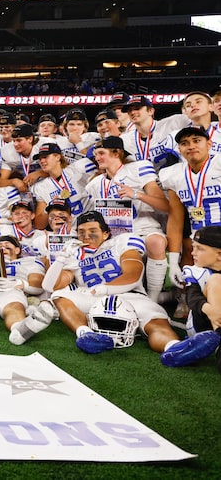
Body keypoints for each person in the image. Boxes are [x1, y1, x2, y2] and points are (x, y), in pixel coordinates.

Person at [43, 211, 218, 366]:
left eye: (92, 231)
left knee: (156, 322)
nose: (86, 236)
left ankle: (174, 349)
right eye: (81, 232)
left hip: (128, 294)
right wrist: (62, 257)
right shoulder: (74, 254)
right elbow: (49, 286)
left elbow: (133, 274)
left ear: (106, 233)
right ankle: (86, 335)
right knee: (60, 295)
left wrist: (102, 289)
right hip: (94, 301)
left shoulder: (122, 242)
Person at [84, 136, 170, 302]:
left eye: (101, 153)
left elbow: (165, 206)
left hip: (144, 228)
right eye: (95, 154)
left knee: (156, 242)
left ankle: (153, 299)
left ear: (117, 153)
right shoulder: (94, 185)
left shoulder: (138, 168)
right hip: (114, 237)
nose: (97, 158)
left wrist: (136, 194)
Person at [160, 127, 221, 291]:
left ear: (209, 144)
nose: (191, 146)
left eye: (196, 141)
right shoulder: (174, 174)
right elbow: (175, 218)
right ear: (179, 149)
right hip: (200, 243)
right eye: (185, 143)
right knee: (200, 292)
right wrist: (173, 262)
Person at [180, 226, 221, 370]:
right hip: (202, 324)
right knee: (216, 280)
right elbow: (192, 297)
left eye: (200, 249)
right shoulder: (196, 271)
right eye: (194, 247)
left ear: (219, 254)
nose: (193, 253)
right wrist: (209, 309)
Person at [31, 141, 95, 228]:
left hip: (91, 223)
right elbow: (39, 225)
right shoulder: (41, 187)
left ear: (57, 157)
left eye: (45, 157)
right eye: (40, 159)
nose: (42, 161)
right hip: (67, 232)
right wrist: (49, 208)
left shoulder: (79, 167)